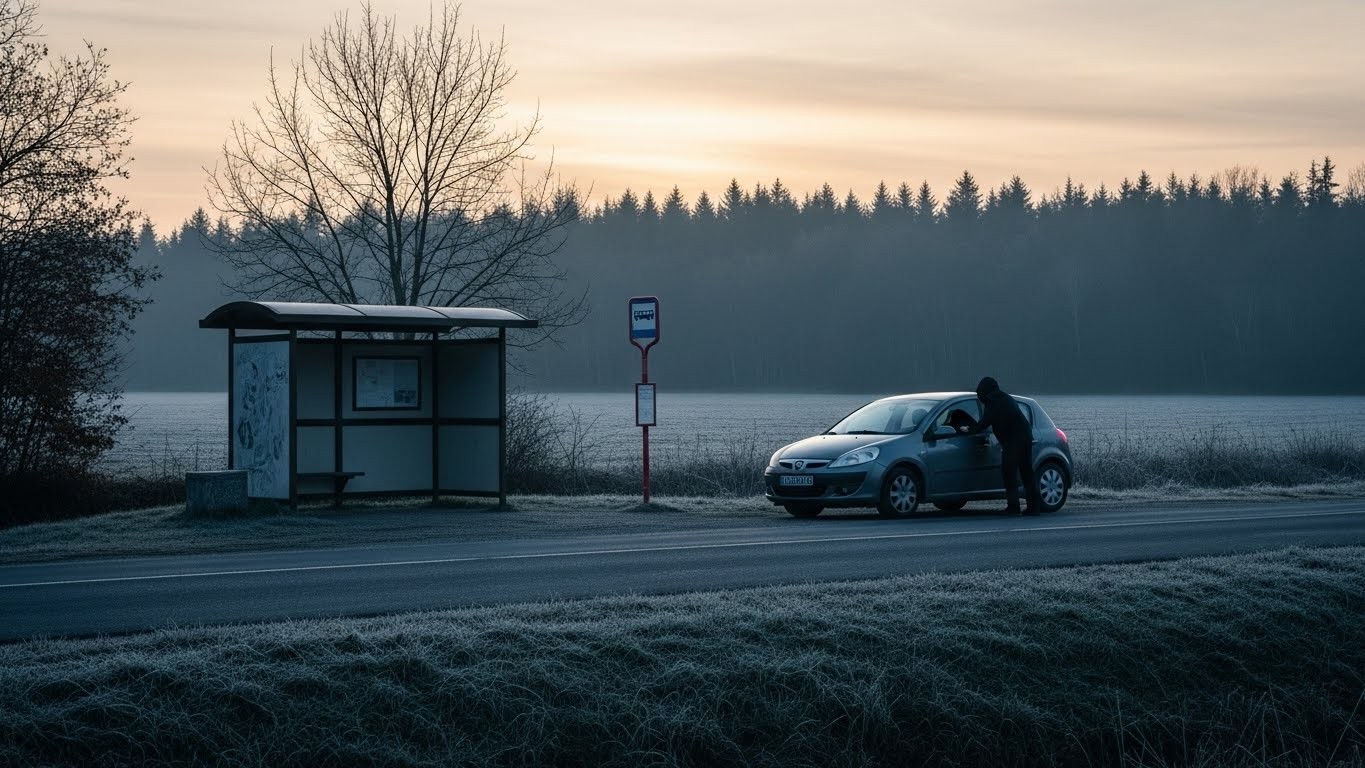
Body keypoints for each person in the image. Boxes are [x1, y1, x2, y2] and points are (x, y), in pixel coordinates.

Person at [969, 376, 1042, 516]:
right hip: (1025, 436)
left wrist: (970, 429)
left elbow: (984, 423)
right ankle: (1034, 506)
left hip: (1013, 440)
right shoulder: (1004, 398)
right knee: (1026, 472)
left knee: (1009, 472)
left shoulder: (992, 402)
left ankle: (1013, 507)